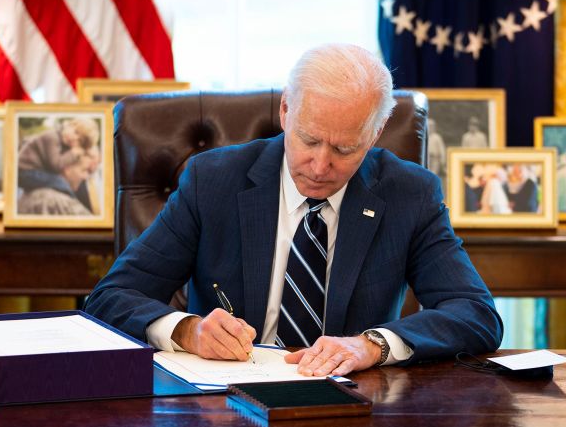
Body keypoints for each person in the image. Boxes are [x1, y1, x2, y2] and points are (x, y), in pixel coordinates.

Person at [85, 43, 503, 377]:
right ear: (286, 111)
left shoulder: (410, 194)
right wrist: (187, 330)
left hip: (352, 411)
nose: (321, 166)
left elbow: (475, 314)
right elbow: (111, 297)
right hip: (226, 408)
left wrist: (371, 345)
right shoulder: (213, 181)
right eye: (308, 139)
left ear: (375, 134)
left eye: (344, 149)